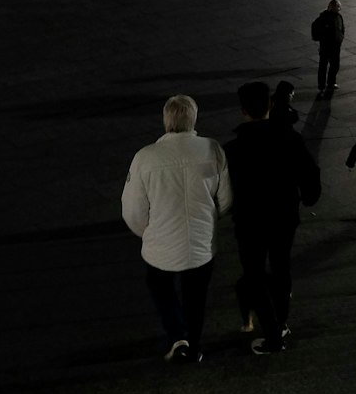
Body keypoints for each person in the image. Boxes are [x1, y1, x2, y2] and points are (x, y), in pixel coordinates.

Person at [121, 95, 232, 363]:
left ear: (166, 120)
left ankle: (176, 336)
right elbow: (226, 199)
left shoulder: (145, 157)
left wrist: (147, 231)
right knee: (196, 296)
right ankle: (195, 345)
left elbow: (133, 209)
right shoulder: (212, 149)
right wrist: (210, 218)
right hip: (201, 244)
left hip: (161, 244)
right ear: (194, 119)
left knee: (159, 285)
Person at [224, 82, 320, 355]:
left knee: (253, 274)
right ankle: (281, 321)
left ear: (243, 110)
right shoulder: (290, 138)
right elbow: (310, 174)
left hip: (249, 221)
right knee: (281, 267)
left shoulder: (232, 149)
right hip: (284, 216)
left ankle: (273, 335)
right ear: (269, 106)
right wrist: (308, 196)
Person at [312, 0, 345, 100]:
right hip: (326, 47)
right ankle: (321, 87)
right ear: (331, 7)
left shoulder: (339, 16)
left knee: (335, 65)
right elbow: (315, 27)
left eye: (339, 6)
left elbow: (342, 28)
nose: (339, 8)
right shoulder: (323, 18)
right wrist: (319, 39)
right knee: (323, 67)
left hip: (336, 46)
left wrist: (341, 37)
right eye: (337, 6)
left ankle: (331, 82)